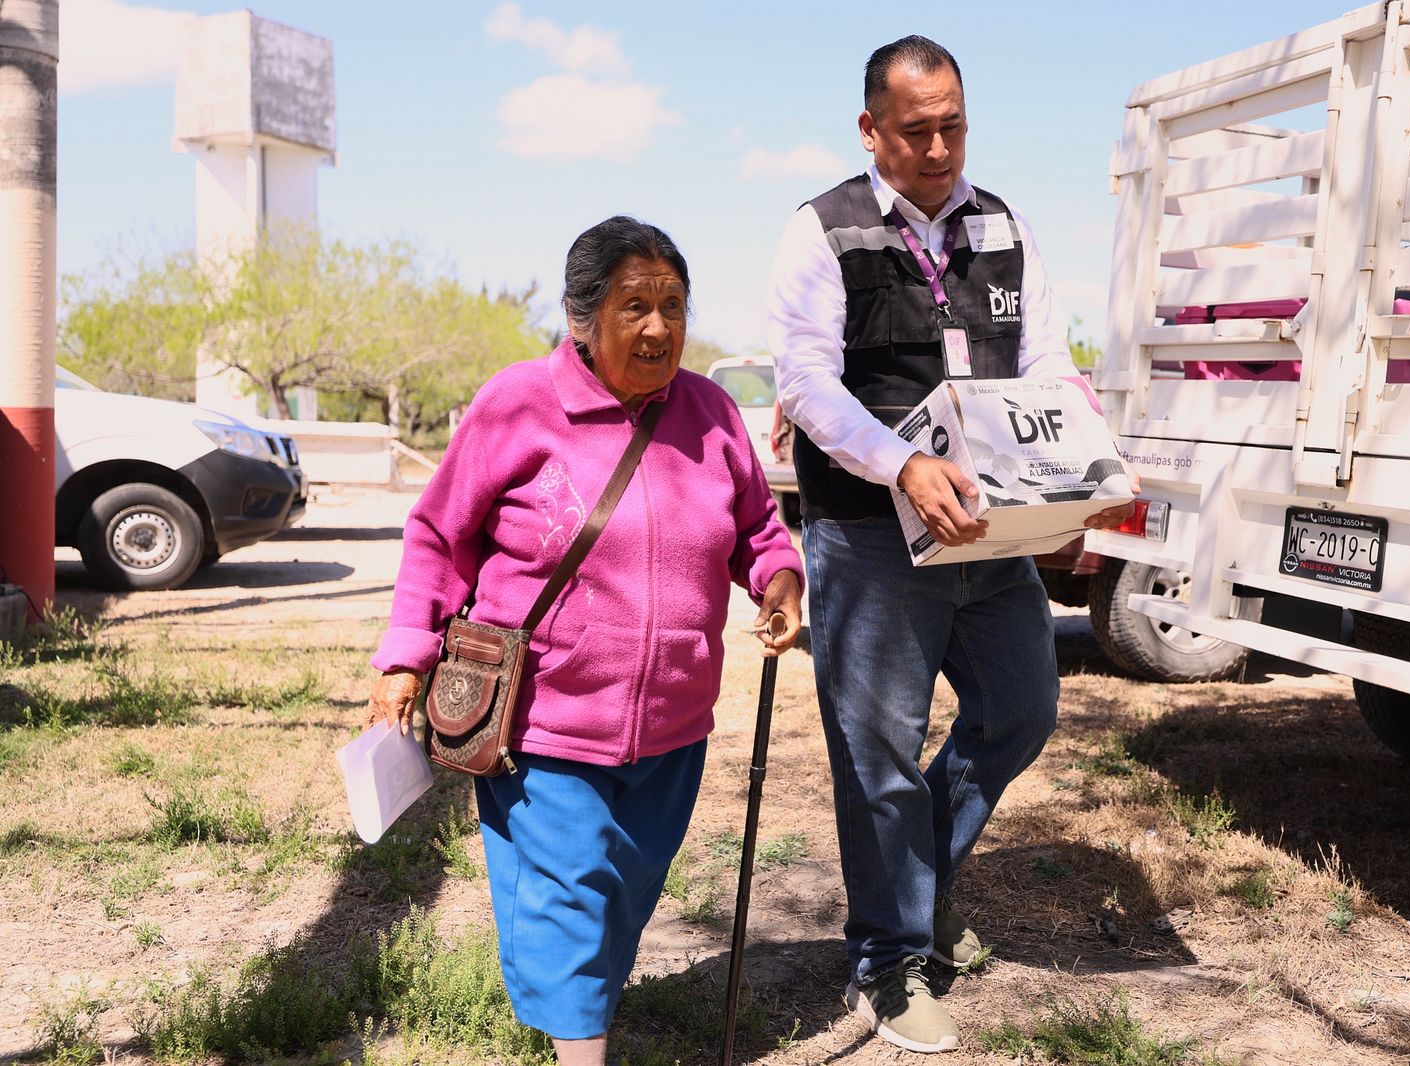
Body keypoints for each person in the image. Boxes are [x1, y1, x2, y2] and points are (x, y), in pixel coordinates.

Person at [766, 37, 1136, 1052]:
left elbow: (1050, 368)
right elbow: (802, 383)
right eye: (916, 130)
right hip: (870, 536)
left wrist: (1082, 480)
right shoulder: (822, 230)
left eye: (953, 126)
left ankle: (907, 887)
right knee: (876, 756)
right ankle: (891, 964)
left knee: (1020, 710)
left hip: (994, 533)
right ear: (871, 128)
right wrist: (900, 465)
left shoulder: (1003, 226)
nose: (938, 148)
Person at [366, 216, 804, 1066]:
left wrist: (778, 578)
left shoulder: (711, 413)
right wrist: (404, 655)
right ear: (581, 318)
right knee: (571, 894)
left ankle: (579, 1007)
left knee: (624, 893)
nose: (657, 326)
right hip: (546, 724)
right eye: (634, 304)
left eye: (673, 304)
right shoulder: (518, 404)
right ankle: (581, 1048)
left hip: (674, 728)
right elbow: (437, 537)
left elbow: (758, 526)